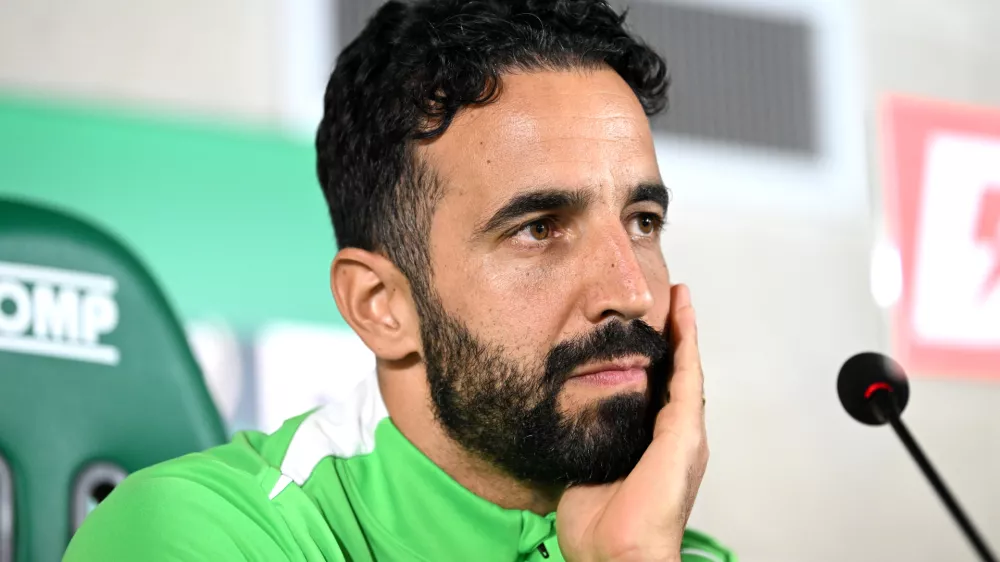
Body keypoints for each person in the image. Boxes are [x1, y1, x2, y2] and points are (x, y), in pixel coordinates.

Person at [64, 0, 735, 560]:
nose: (631, 291)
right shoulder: (199, 533)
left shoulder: (677, 551)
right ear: (380, 306)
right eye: (538, 228)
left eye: (643, 221)